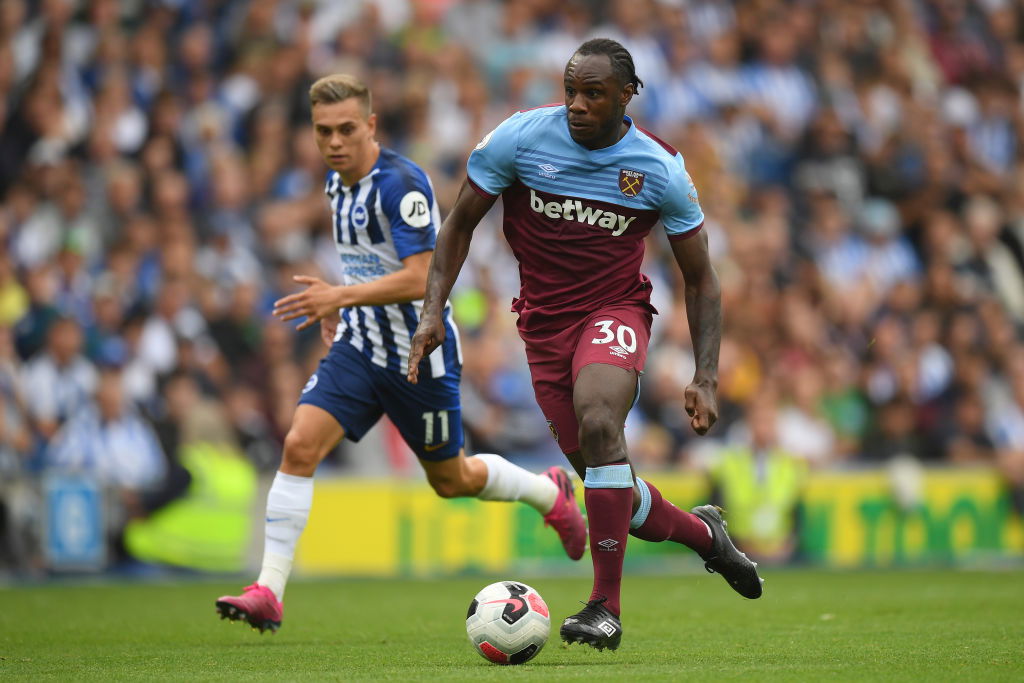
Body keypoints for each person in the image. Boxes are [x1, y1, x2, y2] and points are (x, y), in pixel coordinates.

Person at [409, 39, 763, 652]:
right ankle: (708, 538)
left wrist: (706, 374)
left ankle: (605, 606)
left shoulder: (658, 168)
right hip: (542, 327)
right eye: (571, 89)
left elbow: (702, 278)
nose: (576, 104)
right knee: (614, 491)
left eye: (593, 93)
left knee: (601, 420)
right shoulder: (519, 139)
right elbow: (458, 225)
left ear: (627, 96)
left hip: (614, 311)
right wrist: (431, 310)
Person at [215, 74, 585, 634]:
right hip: (361, 347)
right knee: (298, 444)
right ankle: (269, 589)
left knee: (451, 480)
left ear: (369, 126)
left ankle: (546, 493)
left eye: (345, 129)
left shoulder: (402, 186)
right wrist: (347, 304)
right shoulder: (337, 184)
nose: (334, 142)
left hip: (421, 355)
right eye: (322, 132)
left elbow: (422, 276)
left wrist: (339, 295)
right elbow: (368, 262)